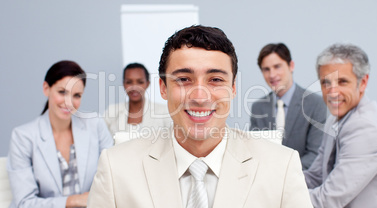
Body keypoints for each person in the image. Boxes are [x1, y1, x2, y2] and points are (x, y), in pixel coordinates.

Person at [88, 25, 312, 208]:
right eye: (184, 79)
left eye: (215, 80)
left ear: (233, 88)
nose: (199, 96)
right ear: (163, 88)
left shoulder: (281, 167)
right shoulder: (116, 168)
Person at [304, 43, 377, 207]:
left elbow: (326, 200)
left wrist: (270, 200)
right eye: (325, 83)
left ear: (362, 83)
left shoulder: (367, 129)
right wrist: (273, 183)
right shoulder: (334, 120)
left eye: (342, 82)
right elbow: (315, 177)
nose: (332, 92)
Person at [7, 60, 113, 207]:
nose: (69, 102)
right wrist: (74, 201)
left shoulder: (95, 124)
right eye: (62, 92)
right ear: (46, 88)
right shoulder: (23, 137)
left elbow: (114, 177)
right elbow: (25, 203)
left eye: (77, 95)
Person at [250, 43, 327, 169]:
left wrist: (283, 173)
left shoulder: (315, 104)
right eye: (266, 69)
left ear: (291, 66)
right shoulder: (258, 108)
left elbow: (315, 155)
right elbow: (255, 152)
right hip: (267, 183)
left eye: (277, 66)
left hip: (303, 182)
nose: (272, 75)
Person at [103, 63, 171, 142]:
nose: (134, 87)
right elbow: (103, 143)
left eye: (140, 82)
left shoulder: (163, 112)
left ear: (147, 84)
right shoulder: (112, 112)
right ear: (123, 83)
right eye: (129, 82)